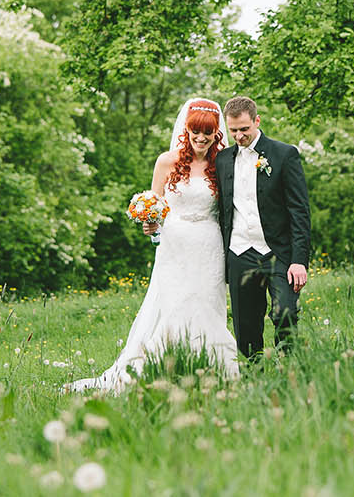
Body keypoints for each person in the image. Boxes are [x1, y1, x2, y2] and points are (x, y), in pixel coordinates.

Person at [68, 98, 239, 392]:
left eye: (207, 132)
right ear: (186, 130)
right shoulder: (167, 161)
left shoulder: (221, 164)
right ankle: (167, 369)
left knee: (208, 305)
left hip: (209, 246)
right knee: (174, 305)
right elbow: (155, 205)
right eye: (195, 131)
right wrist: (151, 225)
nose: (201, 138)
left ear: (216, 133)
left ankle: (216, 370)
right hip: (174, 246)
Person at [217, 96, 312, 359]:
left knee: (285, 313)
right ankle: (253, 376)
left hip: (277, 252)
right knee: (245, 325)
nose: (239, 136)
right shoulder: (223, 159)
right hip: (239, 252)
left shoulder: (284, 154)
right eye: (233, 130)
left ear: (257, 121)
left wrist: (299, 260)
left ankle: (288, 367)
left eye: (244, 129)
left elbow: (299, 211)